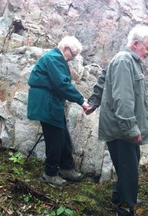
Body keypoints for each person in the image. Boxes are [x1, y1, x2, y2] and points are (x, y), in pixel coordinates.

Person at [85, 24, 148, 216]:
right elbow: (123, 99)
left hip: (123, 127)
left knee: (130, 164)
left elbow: (103, 78)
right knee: (129, 169)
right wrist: (131, 129)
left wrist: (93, 102)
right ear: (136, 44)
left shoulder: (126, 60)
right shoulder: (125, 61)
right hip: (121, 129)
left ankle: (119, 196)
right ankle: (126, 208)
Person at [27, 36, 90, 187]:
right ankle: (49, 174)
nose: (72, 59)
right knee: (54, 139)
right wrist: (82, 101)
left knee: (63, 136)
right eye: (72, 55)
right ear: (65, 49)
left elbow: (60, 85)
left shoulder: (56, 58)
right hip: (46, 102)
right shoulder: (54, 58)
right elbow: (62, 84)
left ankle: (66, 167)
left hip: (51, 102)